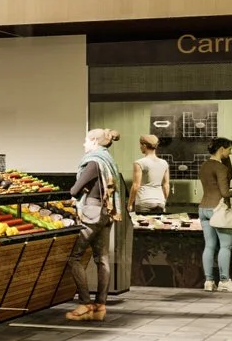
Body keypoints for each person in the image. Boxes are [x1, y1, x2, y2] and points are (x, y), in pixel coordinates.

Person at [65, 128, 122, 322]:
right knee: (102, 259)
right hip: (107, 212)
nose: (84, 145)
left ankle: (85, 304)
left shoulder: (93, 162)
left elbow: (74, 190)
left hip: (91, 213)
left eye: (86, 141)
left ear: (94, 142)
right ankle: (100, 305)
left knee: (74, 257)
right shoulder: (108, 160)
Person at [198, 136, 232, 292]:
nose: (231, 153)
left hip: (203, 209)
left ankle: (209, 281)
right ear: (221, 149)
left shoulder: (204, 166)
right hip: (219, 210)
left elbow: (230, 176)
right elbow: (225, 192)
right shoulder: (220, 168)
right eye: (229, 150)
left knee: (209, 246)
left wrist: (225, 159)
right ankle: (224, 281)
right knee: (225, 246)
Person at [128, 132, 170, 216]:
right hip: (160, 201)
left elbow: (136, 185)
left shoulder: (139, 163)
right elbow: (166, 186)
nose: (140, 147)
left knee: (142, 228)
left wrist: (129, 203)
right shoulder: (164, 163)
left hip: (144, 201)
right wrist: (163, 200)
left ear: (144, 146)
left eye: (140, 145)